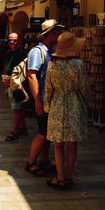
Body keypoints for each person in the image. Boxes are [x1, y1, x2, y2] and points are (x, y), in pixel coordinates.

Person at [44, 32, 90, 190]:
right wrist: (87, 103)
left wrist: (46, 105)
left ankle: (60, 177)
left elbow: (48, 88)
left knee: (58, 143)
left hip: (57, 103)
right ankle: (68, 176)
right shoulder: (79, 65)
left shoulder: (52, 64)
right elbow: (84, 88)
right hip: (74, 103)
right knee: (72, 143)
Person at [25, 19, 64, 176]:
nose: (59, 35)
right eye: (57, 32)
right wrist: (37, 101)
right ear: (49, 34)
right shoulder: (37, 52)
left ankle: (44, 160)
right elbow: (32, 76)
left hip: (48, 100)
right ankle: (31, 162)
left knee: (47, 133)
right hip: (42, 99)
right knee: (43, 133)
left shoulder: (49, 51)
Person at [2, 32, 28, 141]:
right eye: (10, 40)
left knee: (16, 108)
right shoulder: (9, 52)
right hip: (9, 83)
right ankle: (22, 126)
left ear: (18, 41)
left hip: (17, 85)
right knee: (19, 107)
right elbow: (6, 66)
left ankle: (15, 130)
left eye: (14, 40)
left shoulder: (22, 54)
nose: (12, 43)